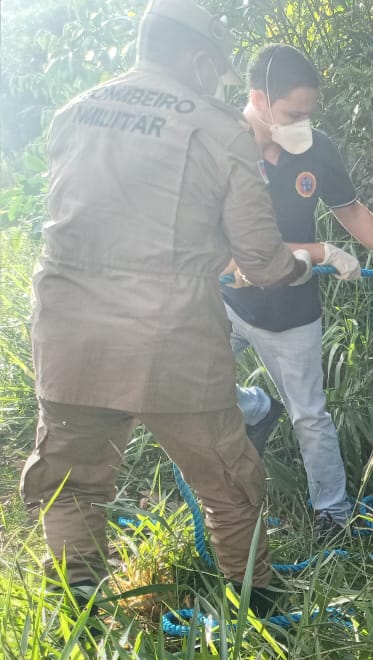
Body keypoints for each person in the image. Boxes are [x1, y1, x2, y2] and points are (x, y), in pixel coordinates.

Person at [19, 0, 319, 614]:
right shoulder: (217, 126)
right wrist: (301, 267)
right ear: (202, 59)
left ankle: (87, 631)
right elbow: (260, 259)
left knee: (73, 490)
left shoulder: (74, 112)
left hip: (69, 334)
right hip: (171, 339)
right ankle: (262, 621)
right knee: (229, 487)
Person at [223, 44, 373, 533]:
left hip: (291, 312)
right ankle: (255, 407)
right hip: (230, 302)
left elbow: (350, 209)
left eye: (309, 113)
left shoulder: (315, 148)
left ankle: (333, 515)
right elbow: (227, 242)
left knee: (310, 417)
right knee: (188, 375)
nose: (302, 123)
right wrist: (319, 251)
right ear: (259, 99)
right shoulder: (221, 145)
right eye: (292, 113)